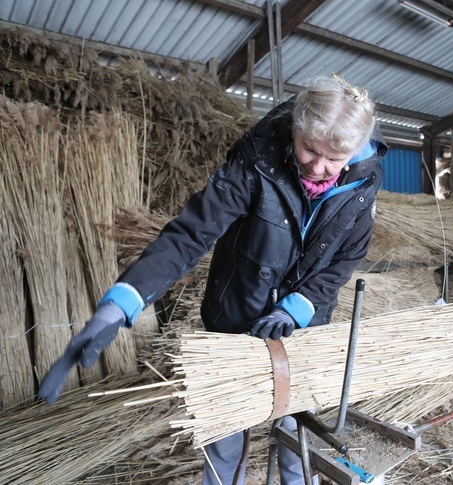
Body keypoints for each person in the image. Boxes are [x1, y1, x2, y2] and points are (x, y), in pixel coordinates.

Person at [38, 74, 386, 485]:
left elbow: (344, 260)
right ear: (296, 128)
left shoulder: (363, 184)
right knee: (225, 438)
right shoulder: (255, 162)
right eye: (309, 149)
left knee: (299, 435)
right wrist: (121, 303)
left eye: (334, 158)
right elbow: (190, 234)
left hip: (303, 329)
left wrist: (297, 308)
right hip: (235, 320)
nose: (318, 167)